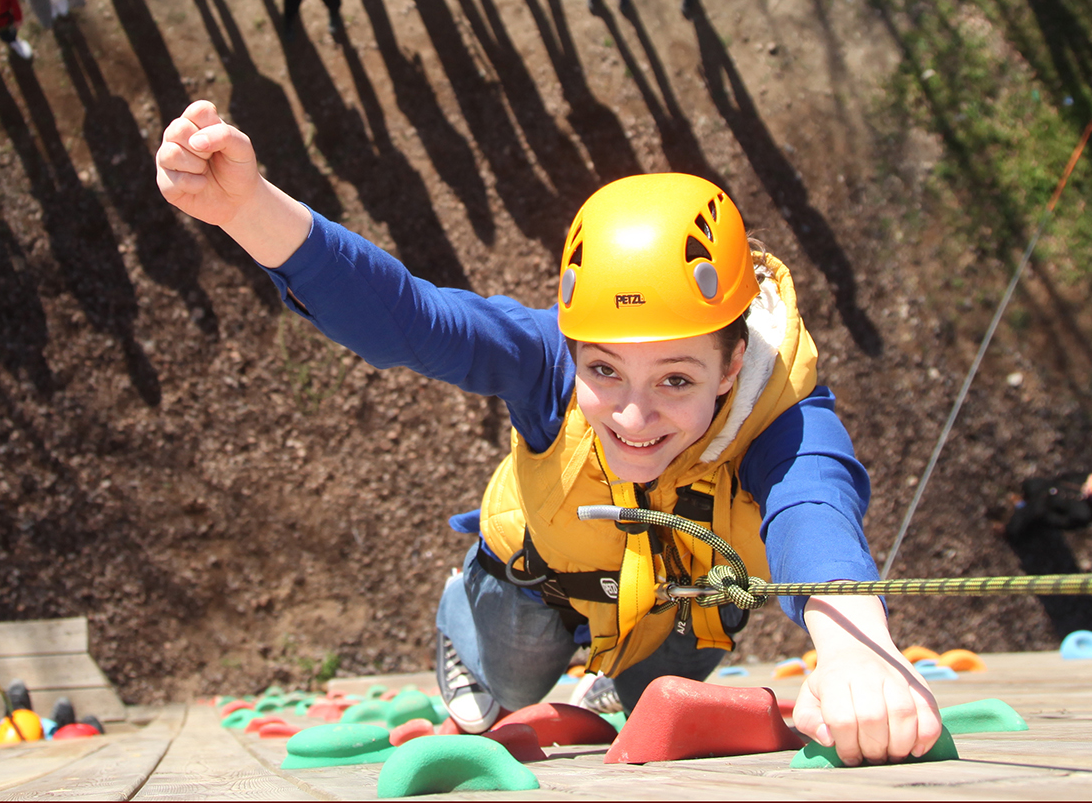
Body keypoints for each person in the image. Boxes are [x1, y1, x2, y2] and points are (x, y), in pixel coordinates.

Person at [155, 104, 944, 767]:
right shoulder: (543, 362)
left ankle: (616, 668)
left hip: (674, 601)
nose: (633, 419)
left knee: (656, 705)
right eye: (603, 371)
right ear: (571, 348)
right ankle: (469, 611)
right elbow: (412, 318)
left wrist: (854, 644)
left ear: (733, 361)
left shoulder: (784, 412)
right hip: (543, 574)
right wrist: (246, 207)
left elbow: (814, 509)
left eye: (676, 379)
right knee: (516, 675)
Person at [1005, 472, 1092, 542]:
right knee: (1030, 484)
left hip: (1043, 511)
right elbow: (1064, 477)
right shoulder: (1083, 479)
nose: (1087, 487)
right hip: (1045, 490)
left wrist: (1043, 514)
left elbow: (1061, 522)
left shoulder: (1083, 514)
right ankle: (1020, 499)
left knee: (1016, 526)